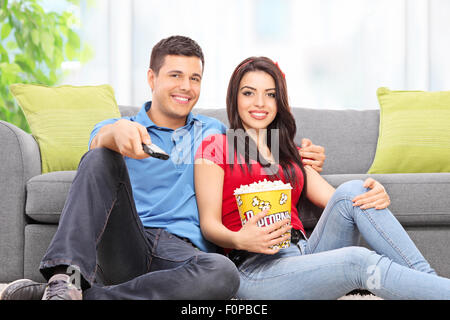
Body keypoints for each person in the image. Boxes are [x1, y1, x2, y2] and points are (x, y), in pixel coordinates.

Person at [0, 36, 325, 301]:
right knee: (99, 157)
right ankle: (64, 280)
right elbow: (99, 145)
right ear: (152, 78)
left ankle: (88, 298)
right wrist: (115, 134)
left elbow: (265, 155)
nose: (186, 86)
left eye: (194, 78)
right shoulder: (121, 126)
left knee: (224, 274)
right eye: (175, 75)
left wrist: (300, 154)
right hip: (127, 242)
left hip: (182, 254)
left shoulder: (214, 132)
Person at [194, 56, 450, 299]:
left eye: (270, 94)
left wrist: (372, 193)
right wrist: (240, 238)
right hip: (256, 268)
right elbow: (209, 225)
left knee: (354, 189)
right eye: (249, 93)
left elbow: (343, 200)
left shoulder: (287, 151)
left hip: (306, 253)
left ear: (279, 101)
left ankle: (431, 285)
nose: (260, 103)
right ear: (234, 98)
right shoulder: (216, 145)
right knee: (358, 261)